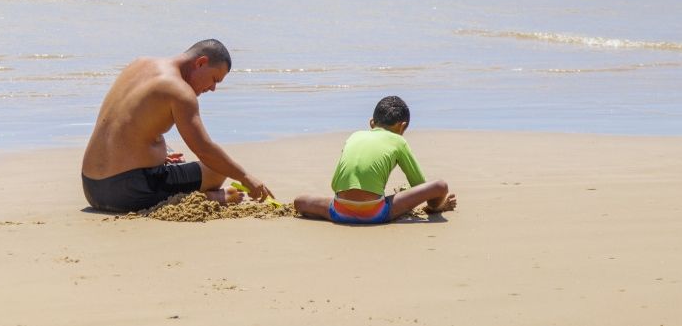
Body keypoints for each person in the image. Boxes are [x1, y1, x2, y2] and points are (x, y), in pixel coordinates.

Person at [81, 39, 273, 212]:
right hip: (127, 193)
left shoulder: (140, 64)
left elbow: (128, 124)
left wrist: (161, 152)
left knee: (183, 163)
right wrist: (246, 177)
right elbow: (204, 150)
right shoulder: (179, 91)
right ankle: (210, 197)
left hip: (91, 188)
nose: (213, 89)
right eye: (215, 79)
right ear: (201, 63)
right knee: (215, 171)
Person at [294, 96, 456, 224]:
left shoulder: (354, 136)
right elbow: (419, 183)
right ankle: (436, 209)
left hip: (339, 211)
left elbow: (335, 184)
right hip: (376, 213)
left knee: (300, 201)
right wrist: (435, 204)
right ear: (402, 126)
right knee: (440, 186)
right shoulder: (398, 141)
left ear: (372, 123)